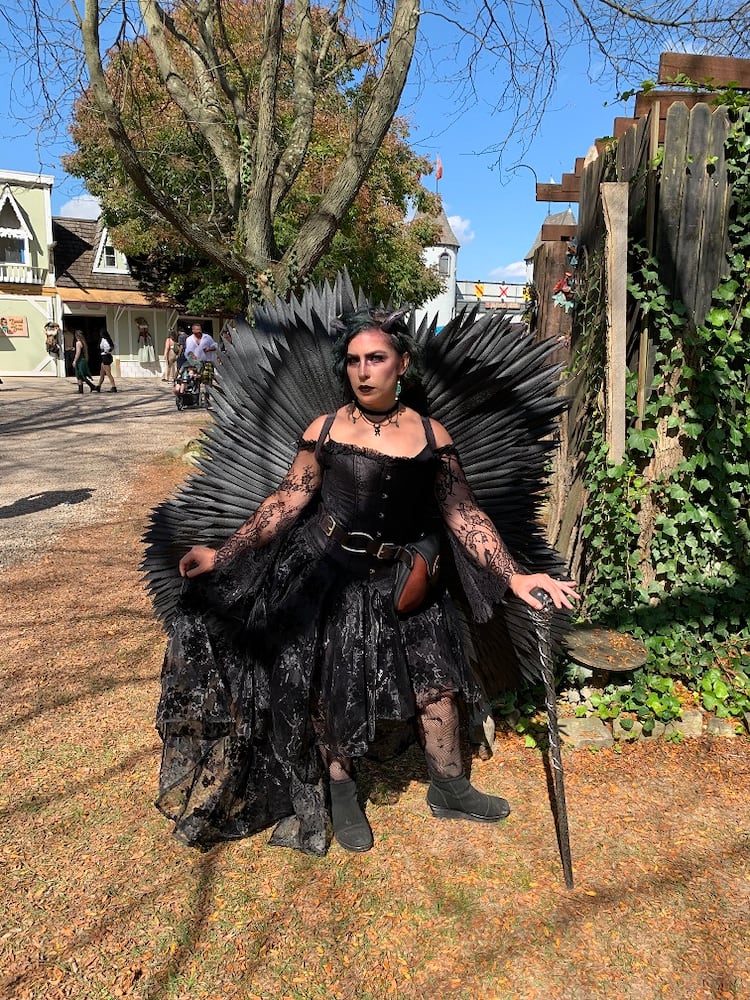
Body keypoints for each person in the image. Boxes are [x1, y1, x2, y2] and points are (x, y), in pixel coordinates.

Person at [170, 309, 579, 855]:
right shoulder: (326, 430)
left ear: (402, 364)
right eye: (354, 361)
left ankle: (451, 786)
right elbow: (289, 500)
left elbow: (462, 512)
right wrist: (225, 552)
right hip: (327, 571)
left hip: (405, 576)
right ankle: (341, 790)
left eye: (376, 359)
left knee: (438, 682)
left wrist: (515, 574)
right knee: (329, 685)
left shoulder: (433, 435)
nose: (363, 372)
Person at [183, 323, 218, 407]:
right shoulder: (189, 339)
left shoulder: (207, 337)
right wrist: (191, 355)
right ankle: (196, 402)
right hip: (195, 363)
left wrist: (209, 349)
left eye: (200, 331)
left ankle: (207, 401)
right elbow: (187, 351)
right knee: (195, 381)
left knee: (207, 382)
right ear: (193, 331)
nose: (198, 333)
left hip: (207, 362)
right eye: (196, 331)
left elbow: (215, 346)